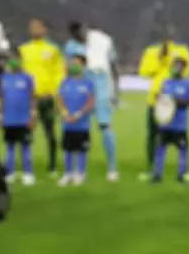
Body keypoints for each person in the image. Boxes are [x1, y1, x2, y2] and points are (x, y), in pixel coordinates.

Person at [68, 21, 121, 181]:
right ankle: (78, 170)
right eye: (77, 37)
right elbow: (68, 68)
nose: (80, 38)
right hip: (81, 85)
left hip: (101, 84)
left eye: (81, 35)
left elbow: (113, 65)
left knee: (105, 127)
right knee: (78, 128)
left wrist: (116, 91)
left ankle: (112, 167)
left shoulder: (102, 40)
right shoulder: (71, 46)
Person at [139, 30, 189, 176]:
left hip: (176, 99)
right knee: (153, 135)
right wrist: (160, 59)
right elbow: (144, 72)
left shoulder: (182, 50)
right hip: (156, 100)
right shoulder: (151, 51)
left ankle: (182, 169)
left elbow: (187, 69)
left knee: (179, 136)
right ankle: (153, 167)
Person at [18, 19, 65, 177]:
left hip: (46, 97)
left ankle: (52, 166)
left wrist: (54, 93)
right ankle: (26, 166)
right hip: (28, 99)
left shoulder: (52, 50)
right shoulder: (23, 50)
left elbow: (59, 73)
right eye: (32, 27)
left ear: (45, 30)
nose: (35, 30)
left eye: (38, 27)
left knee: (50, 132)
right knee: (26, 132)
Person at [152, 56, 189, 183]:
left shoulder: (187, 84)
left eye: (179, 66)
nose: (176, 68)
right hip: (165, 123)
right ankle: (157, 175)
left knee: (183, 149)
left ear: (183, 68)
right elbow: (162, 99)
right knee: (160, 148)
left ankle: (181, 174)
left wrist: (177, 101)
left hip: (180, 124)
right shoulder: (166, 82)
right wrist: (159, 98)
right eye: (174, 66)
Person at [0, 56, 38, 185]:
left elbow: (32, 98)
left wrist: (32, 115)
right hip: (8, 119)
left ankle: (28, 173)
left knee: (25, 147)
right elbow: (0, 98)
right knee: (9, 147)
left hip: (23, 119)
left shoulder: (27, 78)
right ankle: (10, 173)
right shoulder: (2, 78)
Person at [58, 56, 96, 186]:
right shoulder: (65, 82)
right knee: (67, 150)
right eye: (72, 63)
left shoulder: (88, 83)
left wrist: (79, 114)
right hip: (67, 123)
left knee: (81, 150)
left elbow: (91, 102)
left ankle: (80, 173)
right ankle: (68, 173)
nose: (74, 66)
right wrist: (64, 113)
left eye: (78, 64)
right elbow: (60, 99)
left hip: (82, 124)